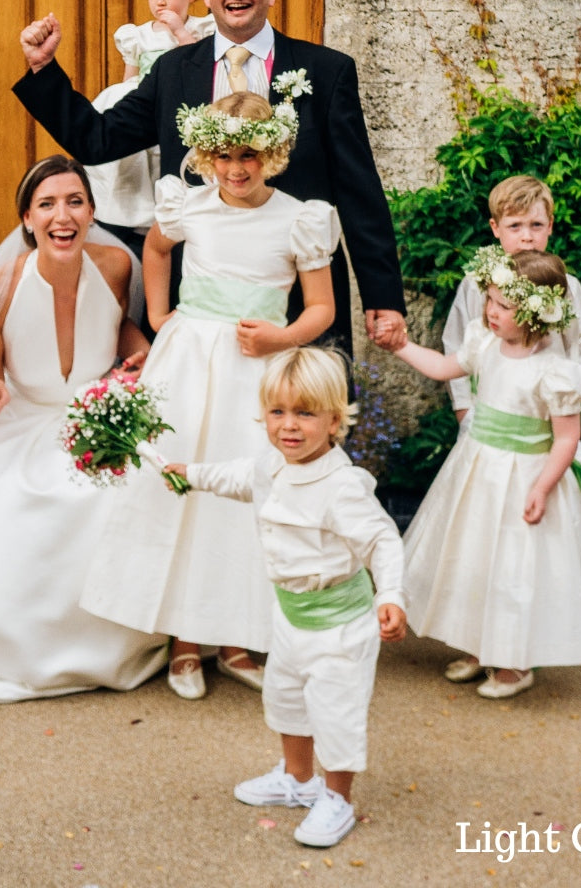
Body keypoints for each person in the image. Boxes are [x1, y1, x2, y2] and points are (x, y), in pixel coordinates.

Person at [13, 0, 407, 355]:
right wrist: (44, 69)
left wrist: (382, 297)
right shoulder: (173, 71)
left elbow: (358, 188)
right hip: (201, 295)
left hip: (297, 296)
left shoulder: (326, 71)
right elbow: (97, 140)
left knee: (301, 419)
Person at [79, 92, 339, 699]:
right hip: (191, 364)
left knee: (247, 493)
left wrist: (285, 334)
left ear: (272, 153)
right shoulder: (188, 206)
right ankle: (183, 643)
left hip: (259, 374)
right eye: (222, 155)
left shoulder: (298, 217)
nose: (236, 168)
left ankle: (236, 638)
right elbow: (156, 248)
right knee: (184, 484)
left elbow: (322, 306)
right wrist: (164, 312)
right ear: (204, 154)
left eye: (249, 154)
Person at [0, 155, 168, 702]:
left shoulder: (116, 265)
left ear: (92, 211)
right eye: (47, 204)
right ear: (26, 218)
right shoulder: (0, 283)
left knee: (141, 489)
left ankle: (131, 638)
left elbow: (123, 328)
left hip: (96, 411)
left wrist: (141, 358)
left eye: (74, 202)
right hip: (21, 421)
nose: (61, 215)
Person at [162, 346, 406, 849]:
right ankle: (297, 782)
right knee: (286, 700)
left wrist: (394, 594)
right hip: (291, 619)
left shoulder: (341, 487)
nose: (288, 426)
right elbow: (233, 476)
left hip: (340, 626)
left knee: (336, 714)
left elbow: (382, 539)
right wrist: (188, 471)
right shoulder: (271, 464)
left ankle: (336, 799)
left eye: (305, 414)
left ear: (335, 420)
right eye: (278, 412)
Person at [388, 247, 581, 698]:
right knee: (475, 561)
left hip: (525, 477)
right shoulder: (483, 342)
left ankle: (513, 664)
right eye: (489, 299)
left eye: (503, 305)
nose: (491, 311)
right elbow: (443, 367)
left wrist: (543, 486)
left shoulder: (555, 372)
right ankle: (480, 646)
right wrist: (402, 346)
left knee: (514, 568)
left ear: (535, 313)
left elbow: (567, 439)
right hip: (478, 473)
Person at [442, 174, 581, 550]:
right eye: (515, 226)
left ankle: (578, 577)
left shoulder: (567, 287)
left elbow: (580, 347)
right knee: (491, 519)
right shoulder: (479, 284)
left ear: (550, 227)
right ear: (496, 229)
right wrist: (464, 412)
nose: (527, 236)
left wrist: (567, 400)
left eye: (536, 225)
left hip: (551, 426)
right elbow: (457, 345)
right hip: (492, 422)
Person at [85, 0, 214, 255]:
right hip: (143, 101)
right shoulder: (137, 34)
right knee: (130, 160)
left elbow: (199, 65)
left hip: (177, 106)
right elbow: (130, 77)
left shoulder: (199, 29)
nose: (161, 2)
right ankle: (127, 212)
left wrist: (179, 31)